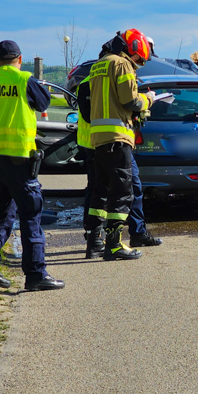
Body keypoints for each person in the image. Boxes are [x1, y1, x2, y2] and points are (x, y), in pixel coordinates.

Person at [0, 40, 64, 291]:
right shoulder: (24, 79)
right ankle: (36, 274)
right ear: (19, 58)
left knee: (0, 216)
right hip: (20, 159)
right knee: (31, 217)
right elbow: (44, 103)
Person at [76, 42, 162, 259]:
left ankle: (94, 243)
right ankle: (114, 245)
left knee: (100, 192)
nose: (138, 65)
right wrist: (148, 99)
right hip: (117, 137)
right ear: (133, 53)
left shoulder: (98, 66)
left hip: (97, 139)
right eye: (140, 61)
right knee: (122, 192)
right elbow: (130, 100)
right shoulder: (122, 64)